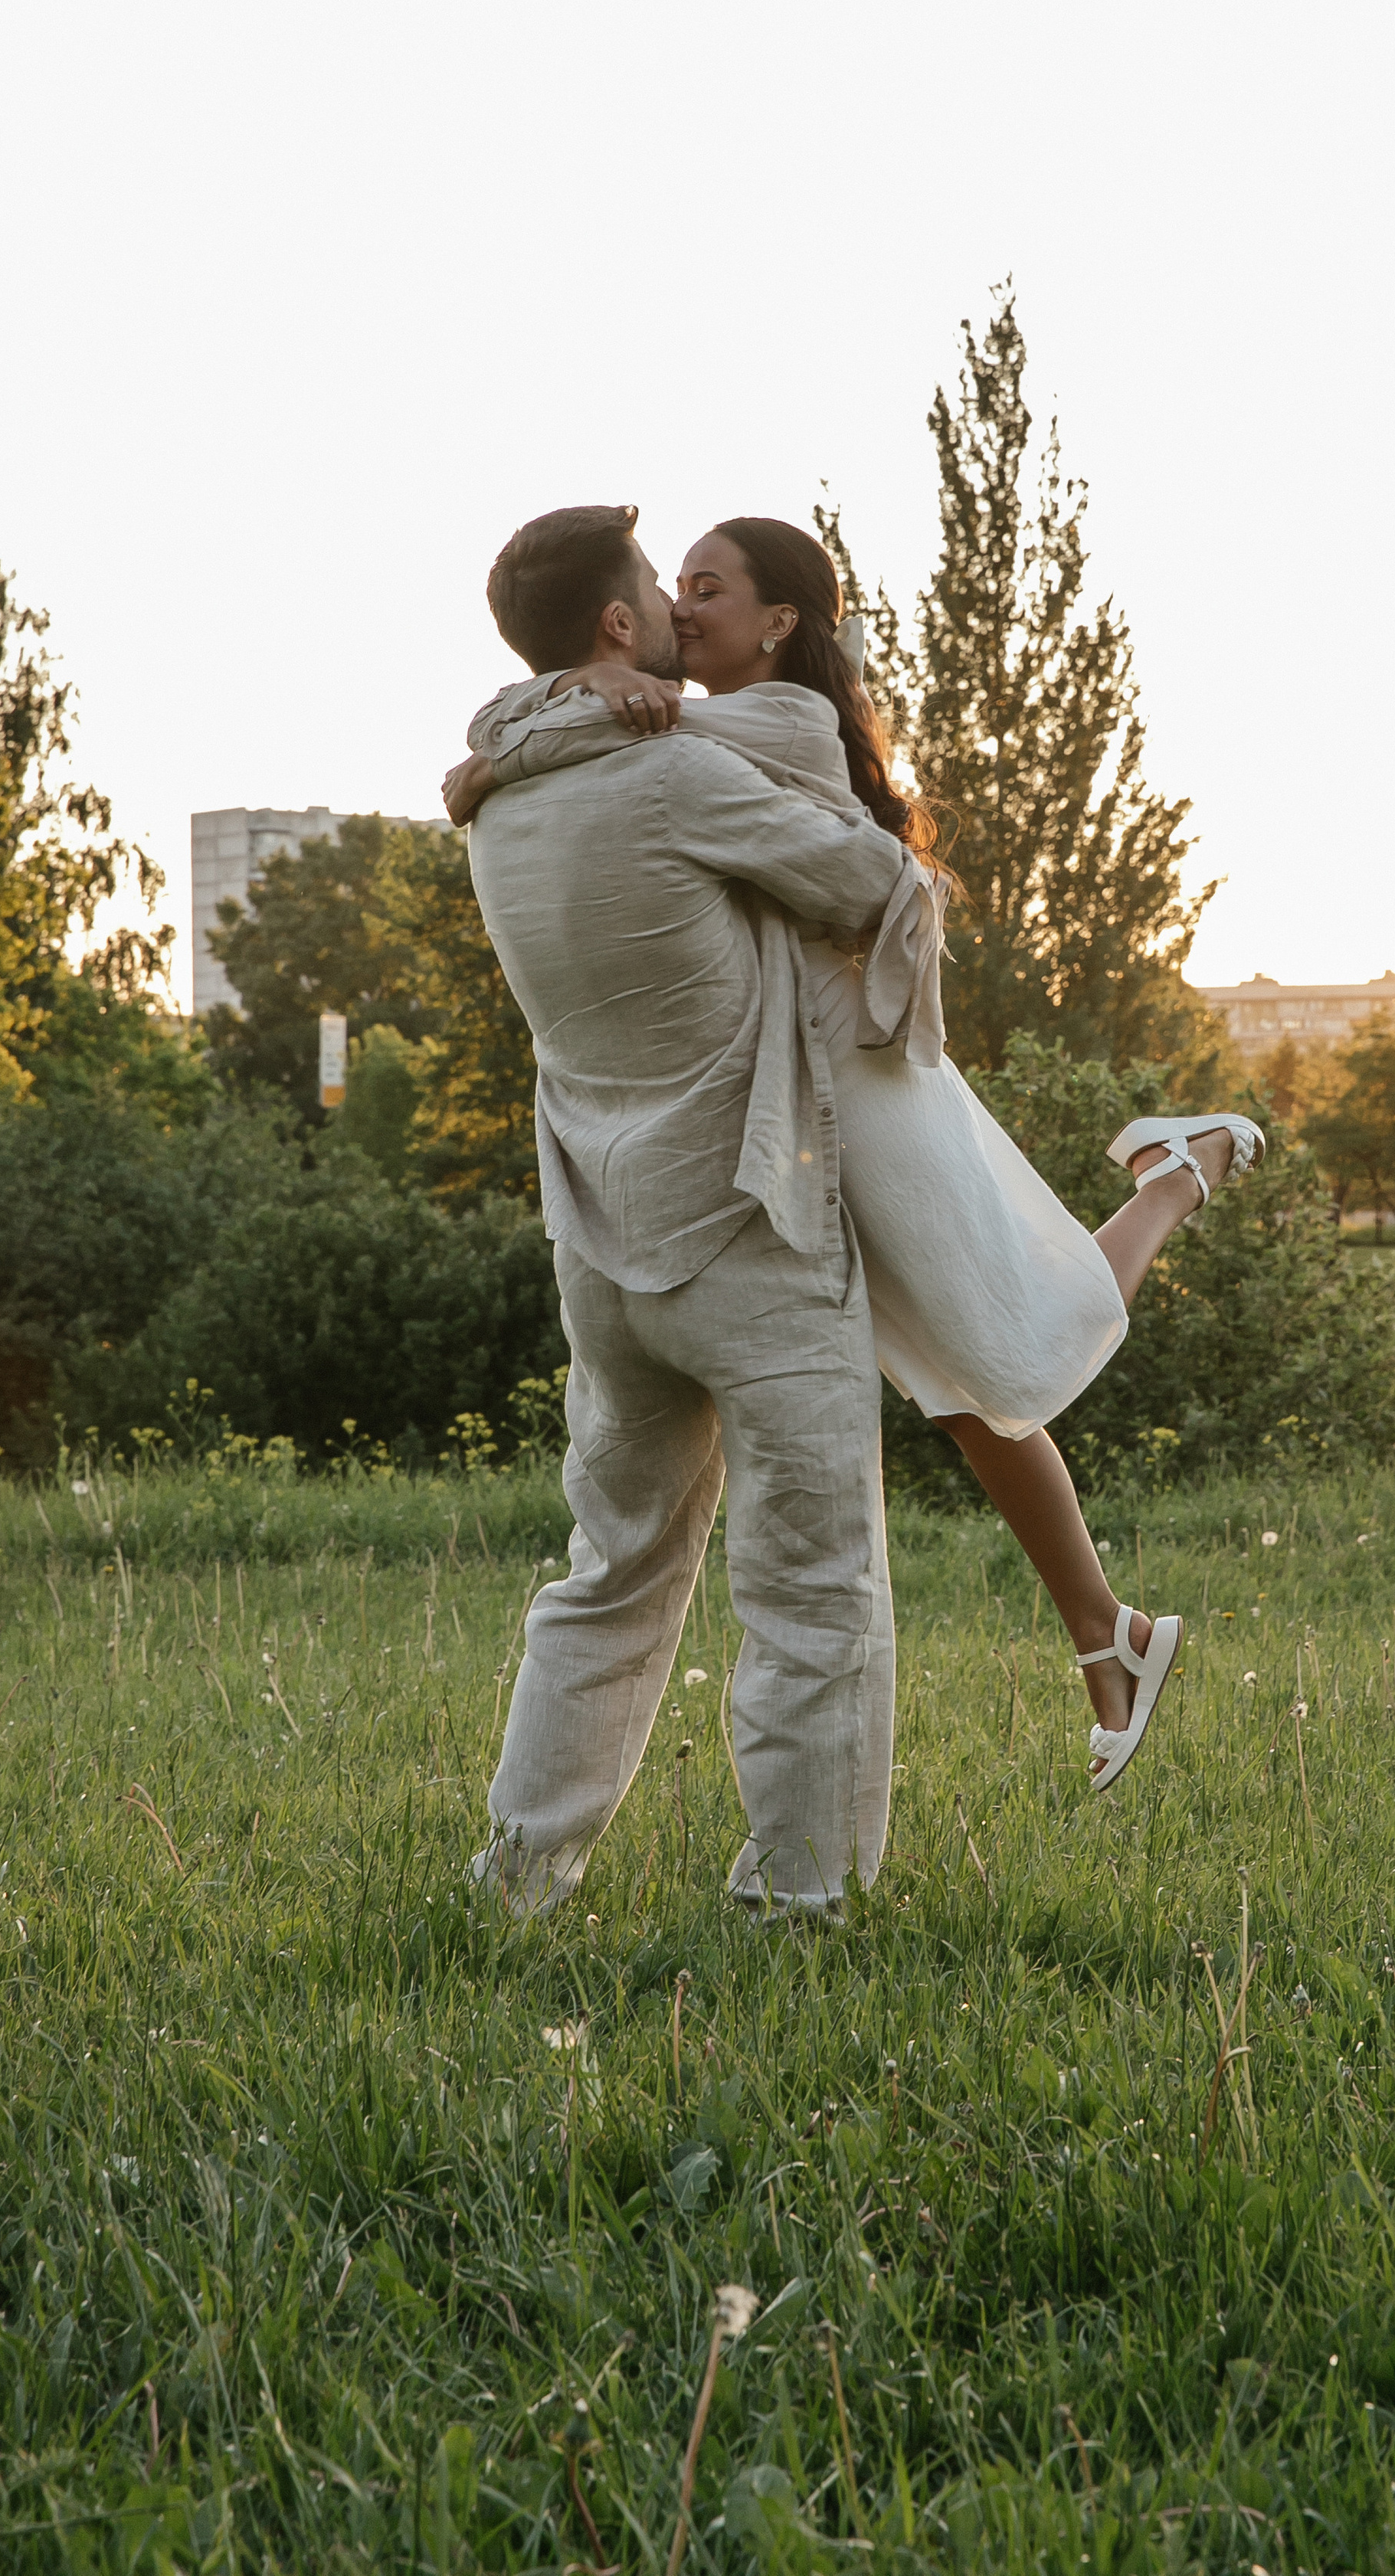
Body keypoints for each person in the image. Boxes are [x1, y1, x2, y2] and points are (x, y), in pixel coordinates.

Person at [447, 513, 1263, 1797]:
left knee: (1004, 1341)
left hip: (849, 1083)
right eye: (671, 588)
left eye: (708, 588)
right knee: (964, 1372)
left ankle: (1179, 1172)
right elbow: (578, 750)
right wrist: (549, 711)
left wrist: (521, 729)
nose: (683, 604)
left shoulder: (741, 730)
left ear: (779, 623)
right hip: (791, 1102)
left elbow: (600, 764)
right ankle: (1110, 1633)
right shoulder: (654, 728)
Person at [460, 503, 923, 1917]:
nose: (671, 605)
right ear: (615, 627)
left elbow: (506, 730)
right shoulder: (672, 775)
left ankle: (520, 1878)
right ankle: (804, 1903)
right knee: (812, 1588)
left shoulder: (500, 796)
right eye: (656, 588)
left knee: (607, 1576)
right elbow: (870, 881)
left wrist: (549, 712)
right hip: (748, 1236)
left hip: (602, 1251)